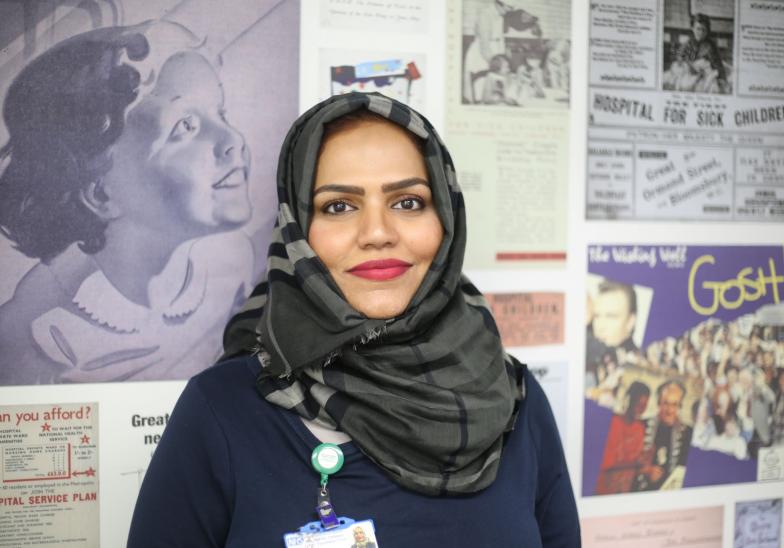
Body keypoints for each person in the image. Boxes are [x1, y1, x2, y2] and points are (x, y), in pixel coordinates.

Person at [127, 93, 580, 546]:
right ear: (297, 229)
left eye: (408, 202)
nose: (377, 233)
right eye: (339, 206)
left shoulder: (514, 400)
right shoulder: (221, 412)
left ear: (445, 217)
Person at [0, 21, 255, 384]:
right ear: (100, 193)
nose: (233, 140)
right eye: (184, 127)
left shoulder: (233, 260)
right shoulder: (39, 336)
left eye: (221, 114)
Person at [634, 380, 692, 491]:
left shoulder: (689, 434)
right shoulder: (641, 426)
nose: (669, 410)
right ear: (658, 403)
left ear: (680, 406)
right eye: (665, 403)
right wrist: (645, 471)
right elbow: (626, 466)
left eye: (674, 405)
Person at [596, 381, 650, 494]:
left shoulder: (640, 428)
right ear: (629, 399)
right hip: (605, 489)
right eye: (638, 403)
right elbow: (608, 463)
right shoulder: (613, 422)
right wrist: (638, 465)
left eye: (644, 405)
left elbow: (638, 458)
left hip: (625, 489)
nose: (641, 409)